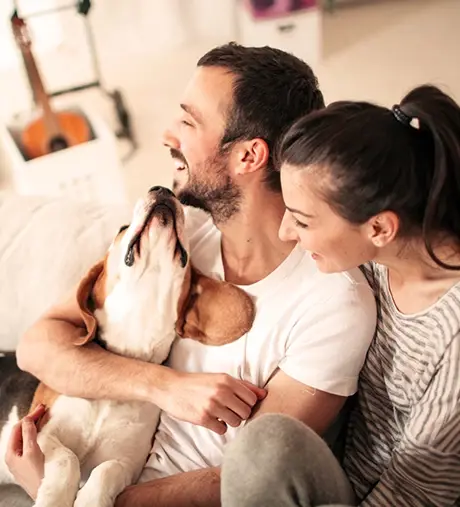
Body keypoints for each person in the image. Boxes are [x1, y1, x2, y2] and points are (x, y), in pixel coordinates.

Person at [6, 43, 376, 507]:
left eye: (189, 120)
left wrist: (73, 494)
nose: (167, 133)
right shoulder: (181, 232)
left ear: (248, 156)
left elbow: (247, 477)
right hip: (85, 466)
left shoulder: (334, 303)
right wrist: (164, 386)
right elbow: (37, 345)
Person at [220, 84, 460, 507]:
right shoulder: (374, 258)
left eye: (303, 222)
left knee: (262, 450)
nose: (286, 233)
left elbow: (416, 494)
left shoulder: (452, 335)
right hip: (338, 470)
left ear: (380, 228)